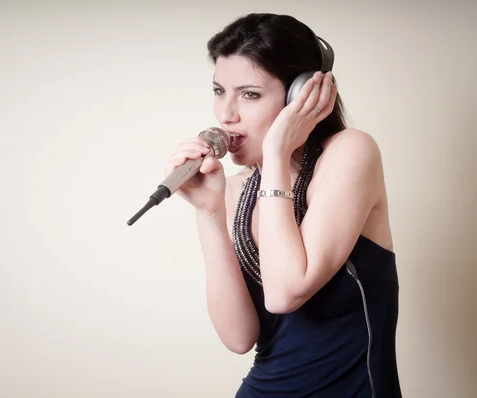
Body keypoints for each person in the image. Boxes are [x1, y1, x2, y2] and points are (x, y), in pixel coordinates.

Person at [164, 13, 402, 397]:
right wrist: (208, 213)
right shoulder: (235, 189)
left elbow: (284, 292)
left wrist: (276, 153)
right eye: (219, 91)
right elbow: (238, 337)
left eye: (250, 94)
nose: (226, 114)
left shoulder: (350, 153)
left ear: (302, 94)